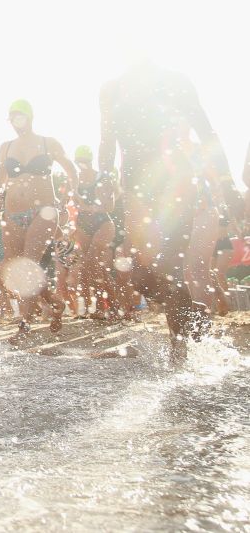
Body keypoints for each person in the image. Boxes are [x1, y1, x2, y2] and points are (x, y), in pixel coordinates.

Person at [99, 62, 241, 362]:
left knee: (171, 269)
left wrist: (227, 182)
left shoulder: (175, 82)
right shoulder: (111, 91)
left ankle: (179, 353)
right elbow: (107, 142)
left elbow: (206, 131)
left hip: (175, 182)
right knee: (140, 276)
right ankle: (194, 314)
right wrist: (105, 179)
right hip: (135, 189)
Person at [0, 101, 76, 343]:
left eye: (19, 116)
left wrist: (66, 198)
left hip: (43, 213)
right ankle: (54, 302)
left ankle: (24, 326)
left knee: (28, 265)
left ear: (30, 117)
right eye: (11, 118)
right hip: (12, 216)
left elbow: (71, 170)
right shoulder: (6, 147)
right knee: (11, 268)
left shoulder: (48, 143)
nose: (15, 122)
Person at [72, 145, 116, 318]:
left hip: (102, 223)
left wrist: (92, 207)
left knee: (92, 263)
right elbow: (73, 202)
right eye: (79, 162)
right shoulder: (74, 179)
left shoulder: (103, 178)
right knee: (96, 269)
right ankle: (107, 307)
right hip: (83, 224)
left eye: (84, 161)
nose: (82, 165)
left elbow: (110, 206)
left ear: (90, 161)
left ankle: (105, 307)